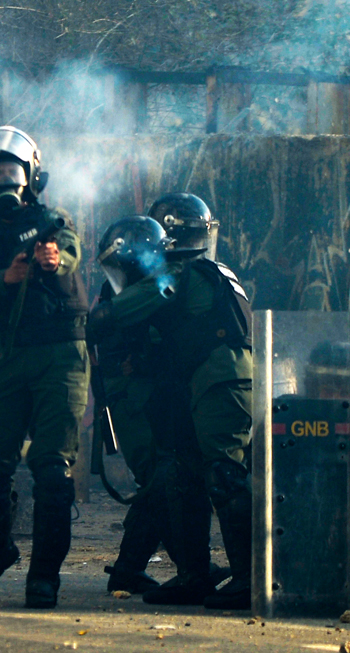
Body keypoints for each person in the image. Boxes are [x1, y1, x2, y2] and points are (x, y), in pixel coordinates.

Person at [88, 215, 253, 610]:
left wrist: (91, 321)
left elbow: (125, 313)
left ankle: (248, 578)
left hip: (213, 381)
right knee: (179, 475)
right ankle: (192, 575)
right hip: (205, 382)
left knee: (221, 475)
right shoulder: (209, 270)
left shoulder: (181, 274)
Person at [0, 126, 89, 609]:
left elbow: (70, 251)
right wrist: (5, 277)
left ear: (31, 175)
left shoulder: (54, 221)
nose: (5, 181)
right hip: (9, 357)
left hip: (61, 355)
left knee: (52, 469)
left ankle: (44, 578)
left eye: (13, 172)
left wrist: (54, 260)